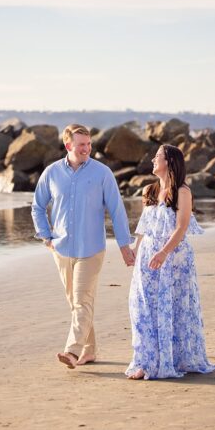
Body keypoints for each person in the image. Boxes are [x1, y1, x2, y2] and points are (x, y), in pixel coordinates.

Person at [32, 123, 135, 369]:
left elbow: (117, 210)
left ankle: (72, 351)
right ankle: (89, 350)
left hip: (91, 249)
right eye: (81, 145)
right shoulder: (52, 173)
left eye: (89, 144)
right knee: (77, 303)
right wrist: (46, 237)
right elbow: (37, 205)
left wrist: (124, 246)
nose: (87, 149)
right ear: (68, 145)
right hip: (62, 248)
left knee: (81, 301)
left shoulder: (102, 173)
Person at [126, 144, 215, 380]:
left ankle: (174, 359)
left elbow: (181, 227)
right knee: (142, 307)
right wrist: (135, 250)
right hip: (148, 258)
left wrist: (164, 252)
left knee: (174, 307)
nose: (153, 160)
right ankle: (146, 361)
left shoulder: (182, 192)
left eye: (157, 157)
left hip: (174, 259)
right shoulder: (150, 190)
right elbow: (144, 227)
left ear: (169, 162)